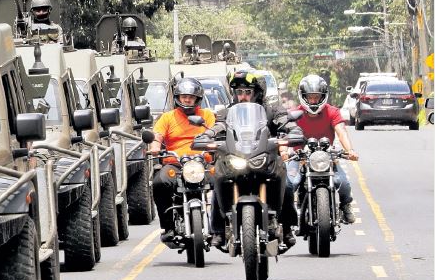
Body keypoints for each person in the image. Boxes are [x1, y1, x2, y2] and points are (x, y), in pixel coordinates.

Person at [207, 69, 300, 250]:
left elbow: (285, 120)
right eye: (239, 92)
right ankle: (218, 230)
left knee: (287, 184)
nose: (242, 96)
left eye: (247, 92)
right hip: (236, 160)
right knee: (218, 179)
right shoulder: (227, 112)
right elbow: (218, 125)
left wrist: (293, 129)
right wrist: (208, 134)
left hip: (266, 160)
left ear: (257, 93)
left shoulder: (271, 110)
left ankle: (287, 228)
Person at [148, 78, 216, 243]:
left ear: (197, 99)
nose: (187, 100)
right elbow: (157, 136)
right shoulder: (167, 117)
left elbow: (216, 133)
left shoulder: (207, 115)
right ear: (177, 97)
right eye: (184, 96)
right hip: (176, 165)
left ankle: (220, 226)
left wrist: (216, 145)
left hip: (203, 164)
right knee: (158, 183)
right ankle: (168, 227)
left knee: (224, 180)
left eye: (191, 97)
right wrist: (155, 146)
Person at [286, 74, 358, 224]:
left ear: (323, 97)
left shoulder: (332, 111)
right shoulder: (295, 114)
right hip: (300, 157)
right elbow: (287, 135)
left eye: (316, 97)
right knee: (290, 184)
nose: (313, 100)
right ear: (303, 96)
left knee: (343, 183)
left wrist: (350, 150)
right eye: (310, 97)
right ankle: (284, 216)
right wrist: (285, 152)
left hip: (326, 157)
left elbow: (341, 132)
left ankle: (345, 207)